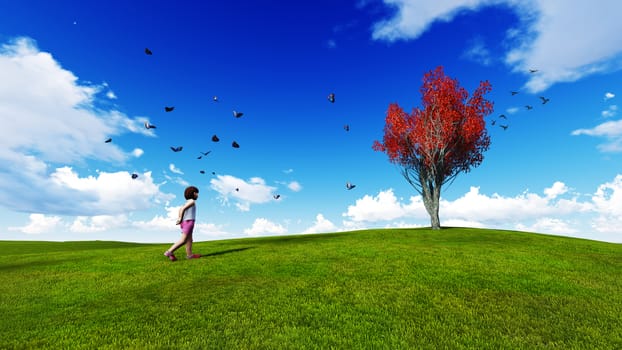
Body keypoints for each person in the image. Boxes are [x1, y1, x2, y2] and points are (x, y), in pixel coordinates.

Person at [164, 186, 202, 261]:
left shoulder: (187, 202)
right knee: (183, 240)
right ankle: (169, 252)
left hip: (185, 222)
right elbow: (183, 209)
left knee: (189, 239)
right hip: (189, 222)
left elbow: (181, 209)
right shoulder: (192, 201)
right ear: (194, 193)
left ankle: (189, 255)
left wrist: (180, 219)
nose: (198, 195)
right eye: (197, 193)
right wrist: (180, 218)